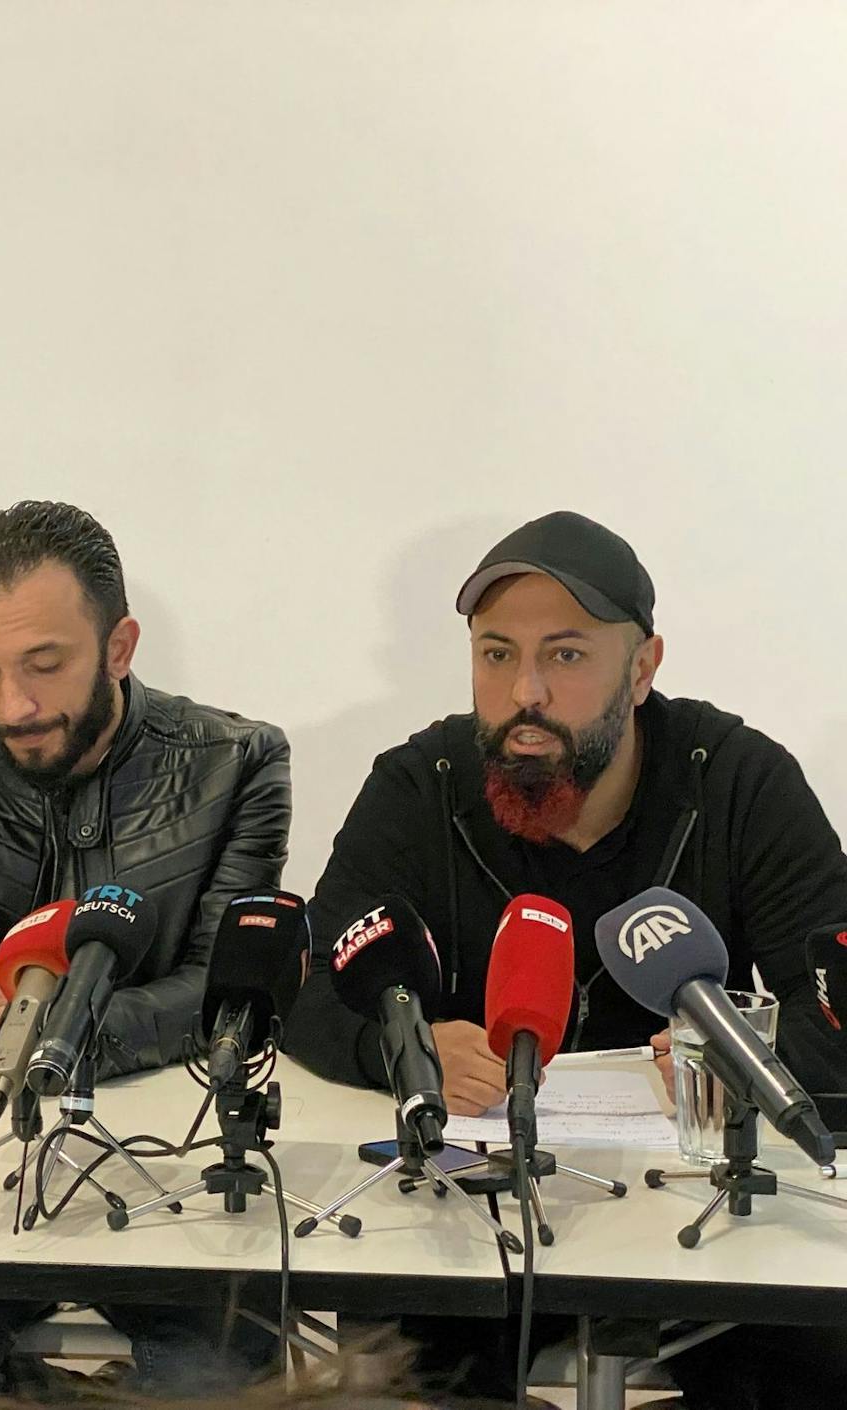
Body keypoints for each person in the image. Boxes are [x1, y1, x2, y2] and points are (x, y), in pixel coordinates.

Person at [285, 510, 847, 1409]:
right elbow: (311, 977)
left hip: (704, 1214)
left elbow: (837, 1003)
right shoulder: (418, 786)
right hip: (478, 1211)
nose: (525, 693)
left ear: (644, 667)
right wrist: (407, 1044)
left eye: (568, 655)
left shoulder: (739, 784)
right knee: (395, 1379)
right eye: (496, 654)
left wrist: (744, 1058)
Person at [0, 500, 293, 1408]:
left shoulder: (235, 762)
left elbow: (227, 986)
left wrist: (62, 1039)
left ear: (120, 646)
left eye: (43, 666)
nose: (11, 704)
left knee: (212, 1383)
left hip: (168, 1159)